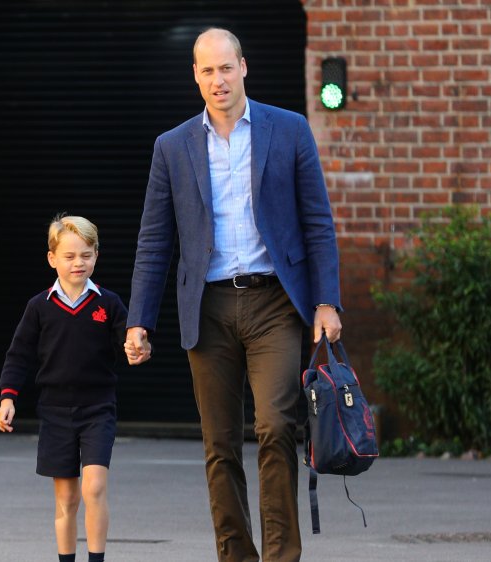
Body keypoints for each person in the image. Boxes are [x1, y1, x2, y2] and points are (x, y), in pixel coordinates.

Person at [123, 28, 343, 562]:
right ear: (195, 77)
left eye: (226, 68)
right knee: (220, 445)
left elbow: (318, 223)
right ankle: (236, 555)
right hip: (209, 305)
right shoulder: (172, 147)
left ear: (244, 67)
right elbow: (155, 240)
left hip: (274, 303)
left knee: (275, 426)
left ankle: (281, 555)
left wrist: (326, 301)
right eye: (206, 71)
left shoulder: (289, 130)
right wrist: (139, 321)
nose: (217, 80)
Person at [0, 215, 127, 562]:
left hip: (98, 408)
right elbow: (18, 355)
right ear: (52, 258)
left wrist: (138, 346)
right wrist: (8, 397)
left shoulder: (108, 303)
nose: (78, 263)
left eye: (85, 254)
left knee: (94, 487)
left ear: (96, 255)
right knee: (67, 499)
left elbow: (130, 342)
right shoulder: (39, 306)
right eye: (69, 256)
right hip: (55, 412)